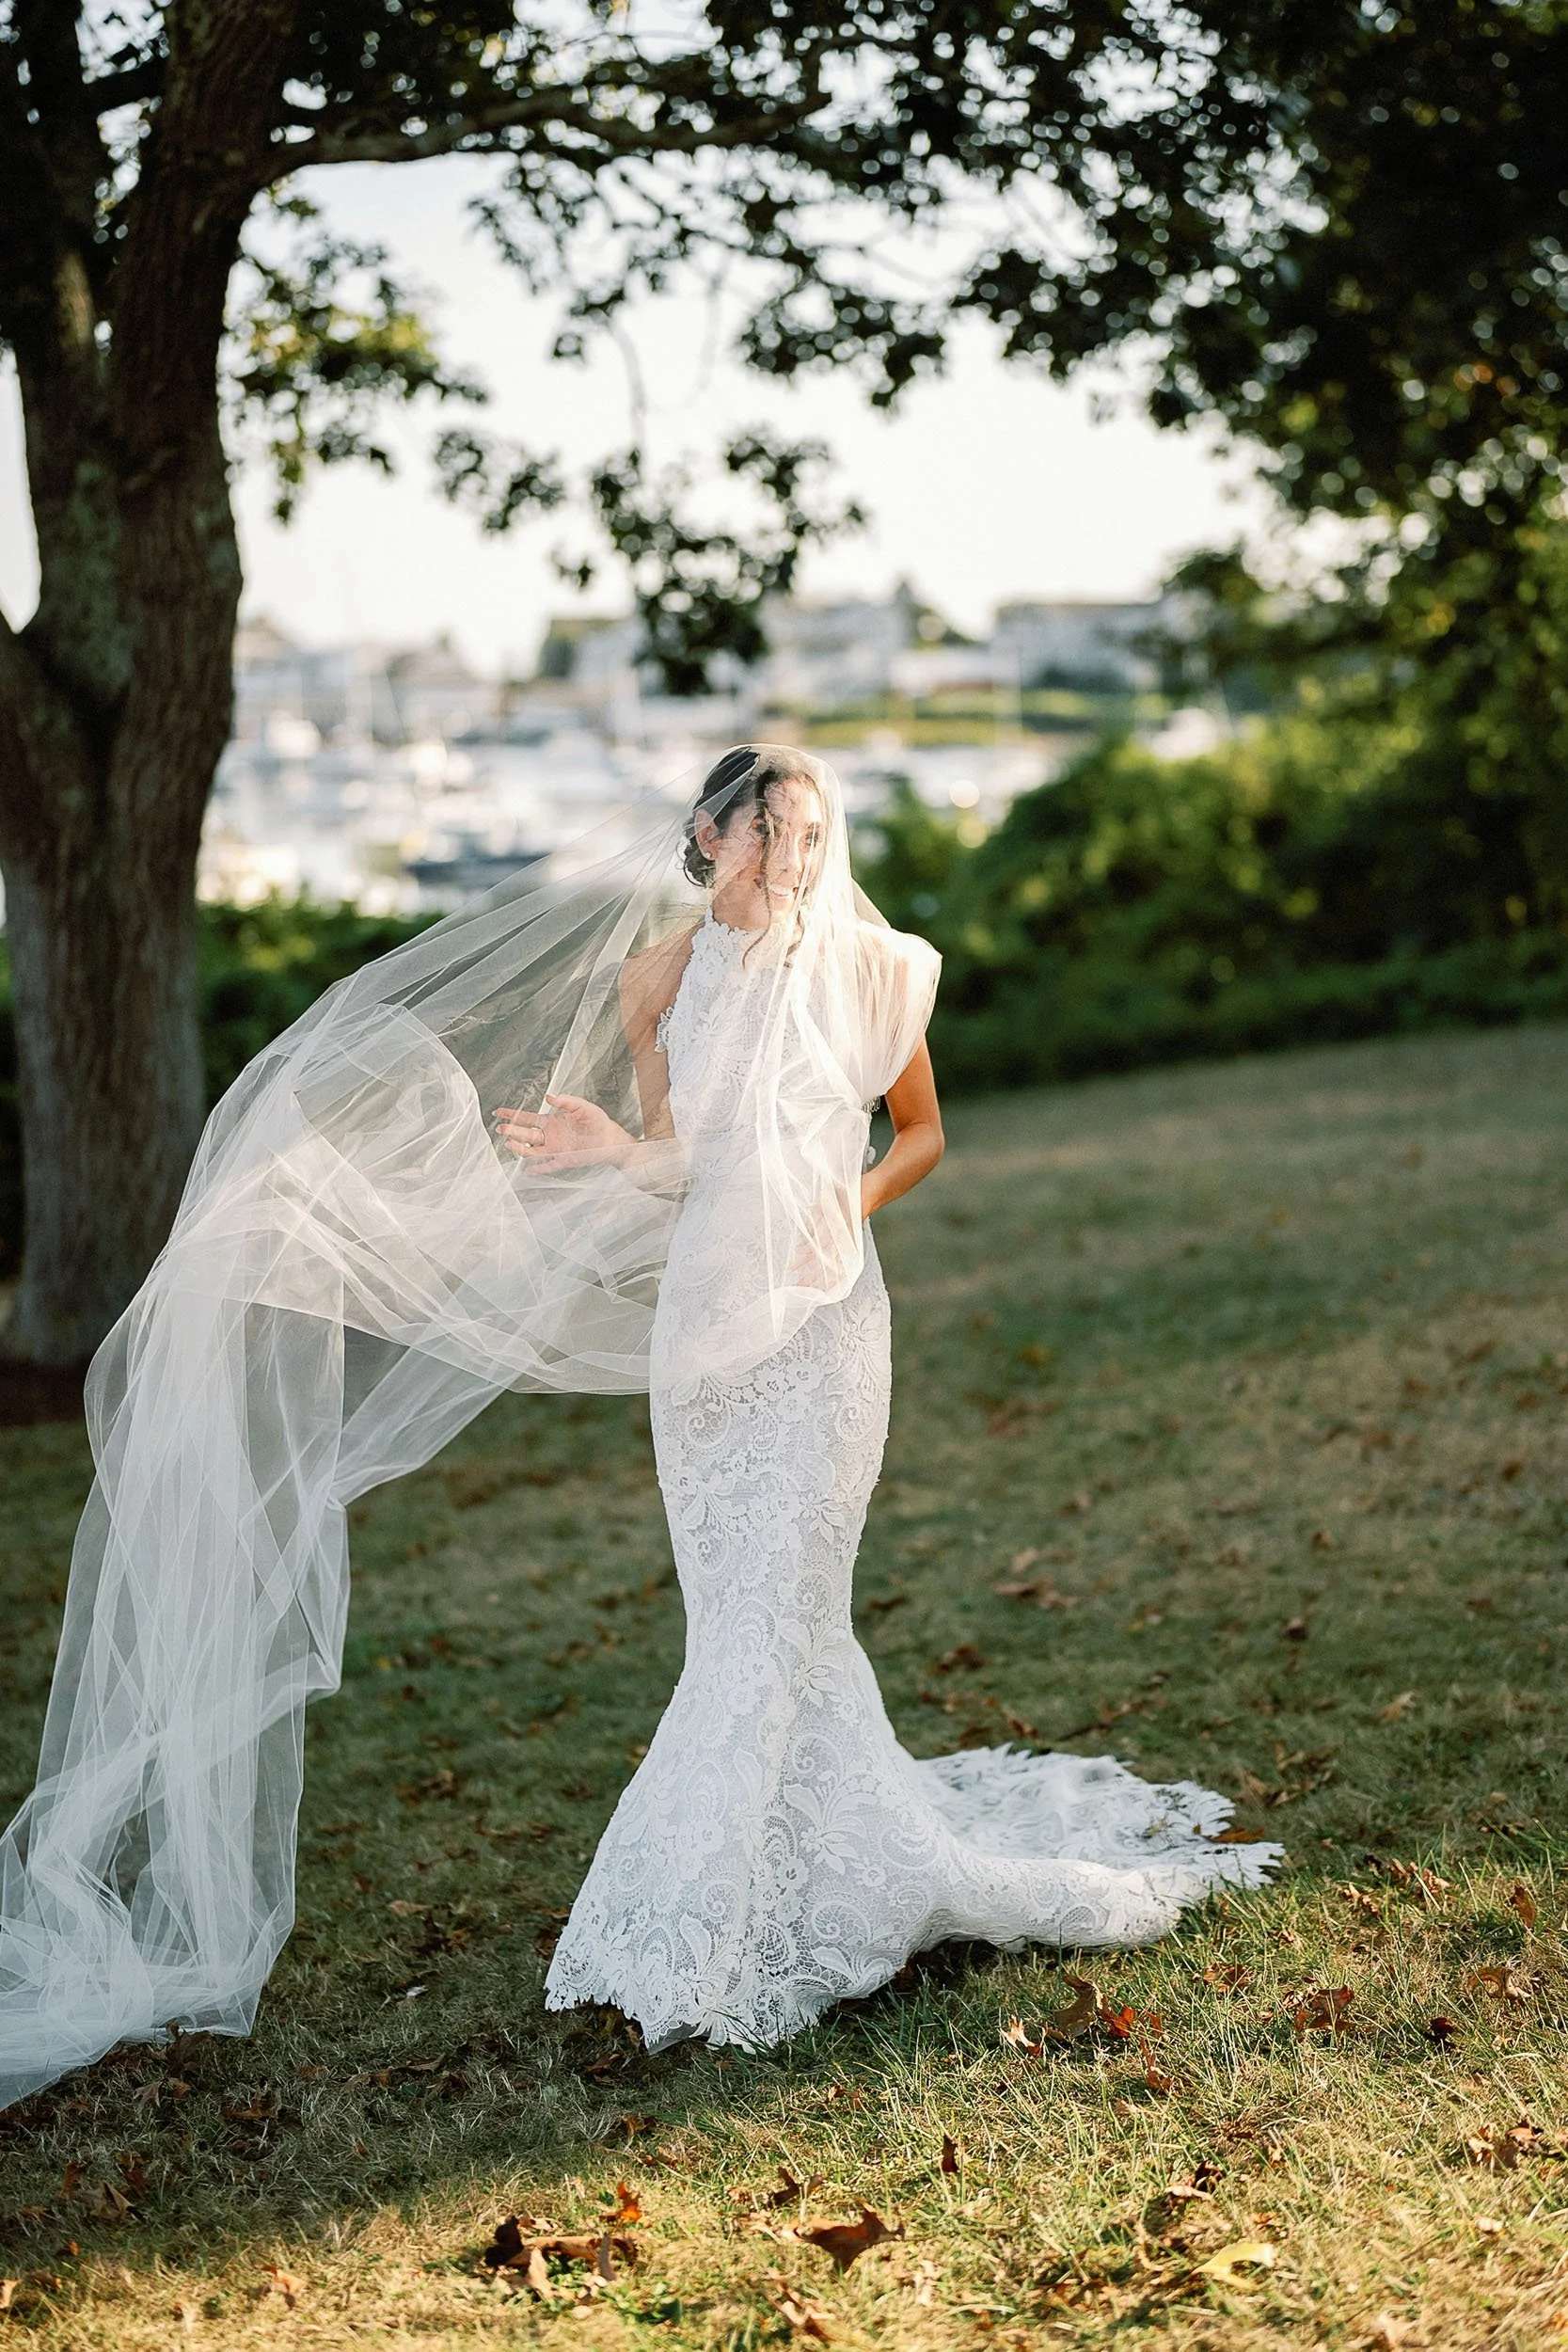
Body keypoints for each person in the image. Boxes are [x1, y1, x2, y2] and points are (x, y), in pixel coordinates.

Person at [0, 745, 1275, 2107]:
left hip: (828, 1322)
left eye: (808, 830)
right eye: (768, 828)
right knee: (744, 1612)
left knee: (787, 1603)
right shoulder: (656, 977)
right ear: (708, 833)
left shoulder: (870, 966)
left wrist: (842, 1209)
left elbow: (919, 1138)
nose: (792, 851)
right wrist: (607, 1150)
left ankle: (700, 1920)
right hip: (706, 1327)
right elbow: (680, 1161)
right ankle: (852, 1862)